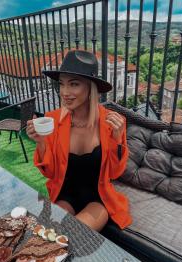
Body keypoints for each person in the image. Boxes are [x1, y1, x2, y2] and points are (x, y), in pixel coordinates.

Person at [27, 50, 132, 232]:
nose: (65, 93)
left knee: (73, 238)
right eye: (61, 84)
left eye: (74, 84)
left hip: (98, 198)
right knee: (43, 237)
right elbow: (50, 174)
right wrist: (41, 143)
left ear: (90, 87)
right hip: (65, 195)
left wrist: (117, 138)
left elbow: (115, 174)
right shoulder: (53, 120)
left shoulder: (112, 123)